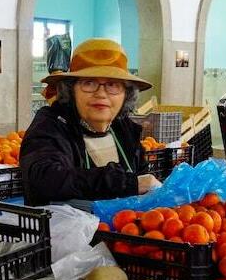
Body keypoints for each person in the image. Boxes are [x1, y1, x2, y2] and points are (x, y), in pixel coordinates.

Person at [21, 38, 161, 206]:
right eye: (89, 83)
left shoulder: (125, 131)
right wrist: (128, 184)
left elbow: (142, 185)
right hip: (63, 230)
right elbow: (47, 178)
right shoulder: (50, 126)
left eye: (112, 85)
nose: (101, 93)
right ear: (71, 90)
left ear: (126, 94)